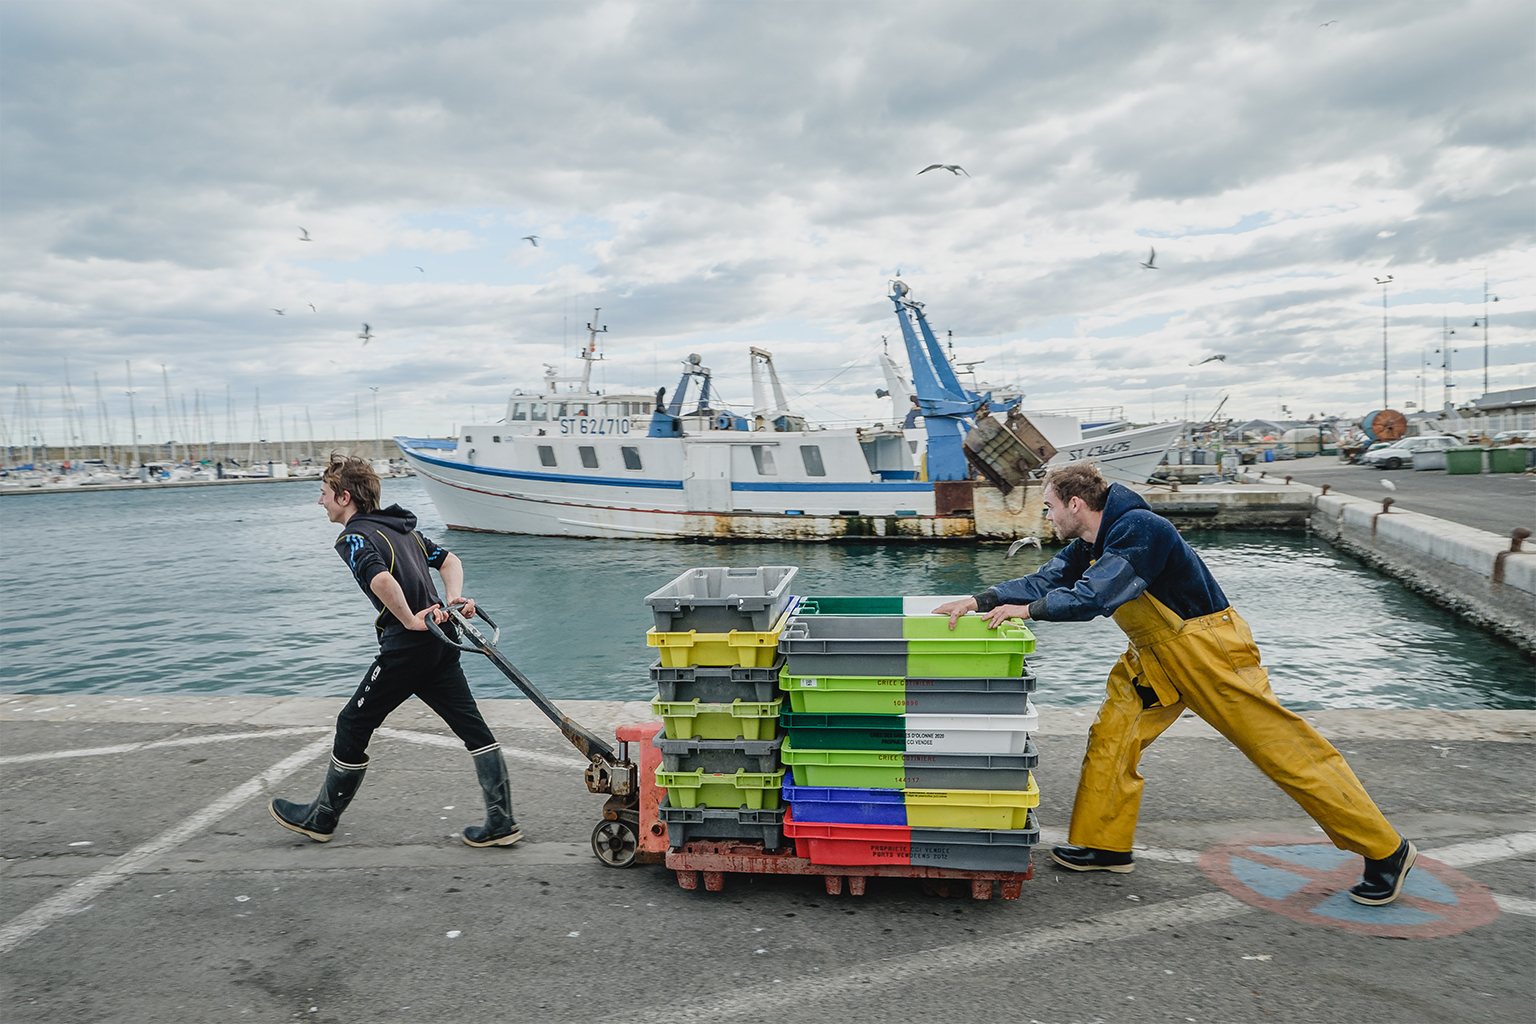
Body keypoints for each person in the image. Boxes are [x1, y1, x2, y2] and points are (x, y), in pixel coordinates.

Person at [934, 462, 1416, 906]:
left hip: (1209, 652)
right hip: (1154, 655)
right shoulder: (1090, 543)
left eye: (1049, 506)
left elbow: (1097, 596)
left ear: (1075, 504)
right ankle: (1105, 845)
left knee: (1282, 748)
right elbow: (1048, 580)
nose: (1048, 516)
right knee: (1113, 735)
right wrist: (980, 600)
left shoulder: (1142, 529)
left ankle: (1386, 849)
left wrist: (1027, 612)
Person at [269, 454, 521, 848]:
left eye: (323, 494)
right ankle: (501, 822)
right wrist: (452, 600)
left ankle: (322, 817)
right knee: (473, 729)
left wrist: (407, 619)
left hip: (407, 649)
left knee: (352, 724)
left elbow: (381, 579)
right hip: (441, 644)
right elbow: (449, 559)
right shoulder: (403, 530)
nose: (320, 502)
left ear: (344, 497)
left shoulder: (354, 537)